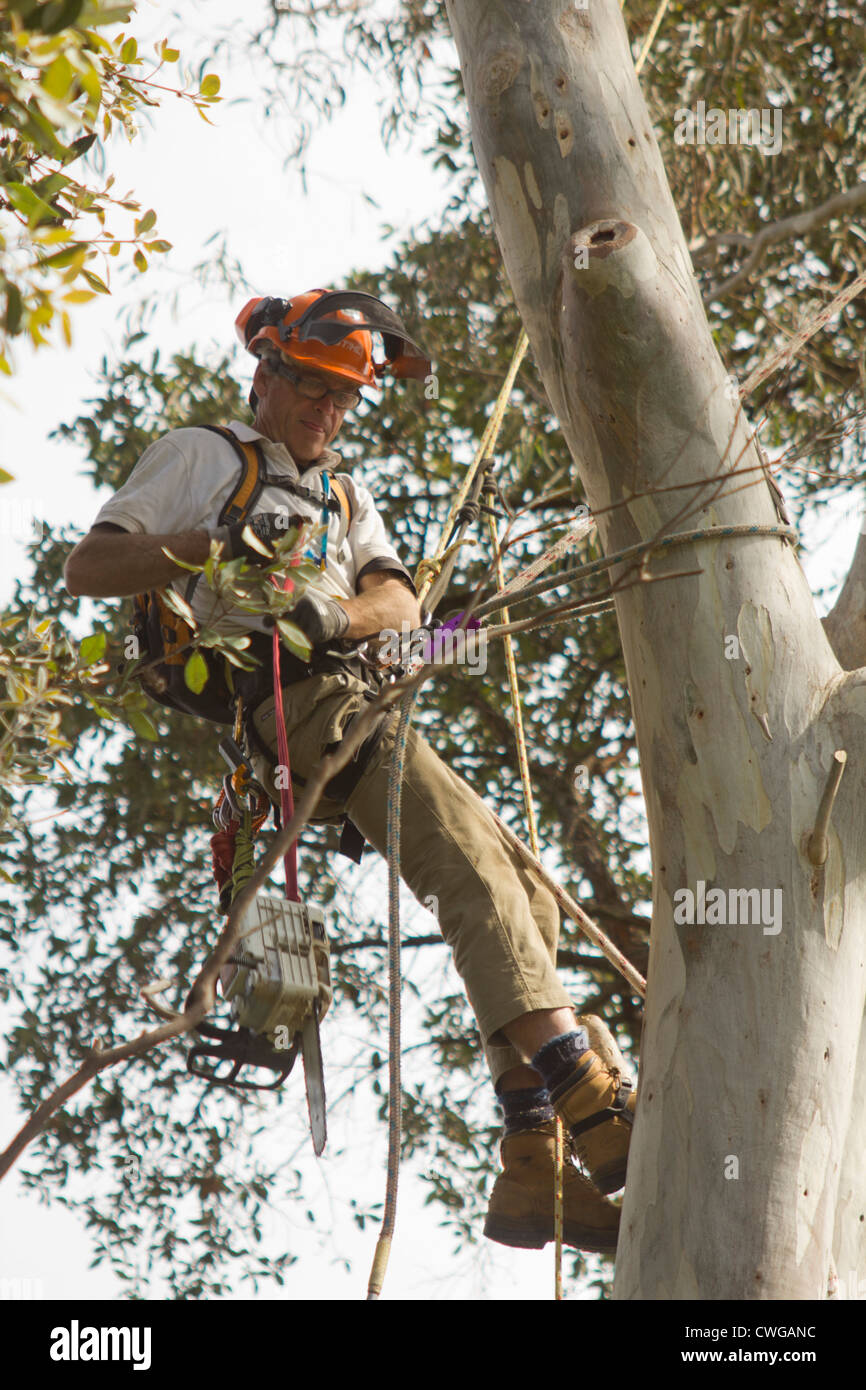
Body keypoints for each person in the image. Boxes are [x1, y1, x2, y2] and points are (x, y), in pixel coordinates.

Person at [64, 288, 637, 1257]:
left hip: (355, 693)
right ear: (267, 374)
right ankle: (586, 1091)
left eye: (342, 400)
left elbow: (399, 605)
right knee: (469, 870)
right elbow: (90, 566)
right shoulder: (206, 457)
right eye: (313, 391)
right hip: (292, 706)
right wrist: (210, 548)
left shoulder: (343, 496)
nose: (326, 414)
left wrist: (332, 614)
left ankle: (529, 1153)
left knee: (527, 893)